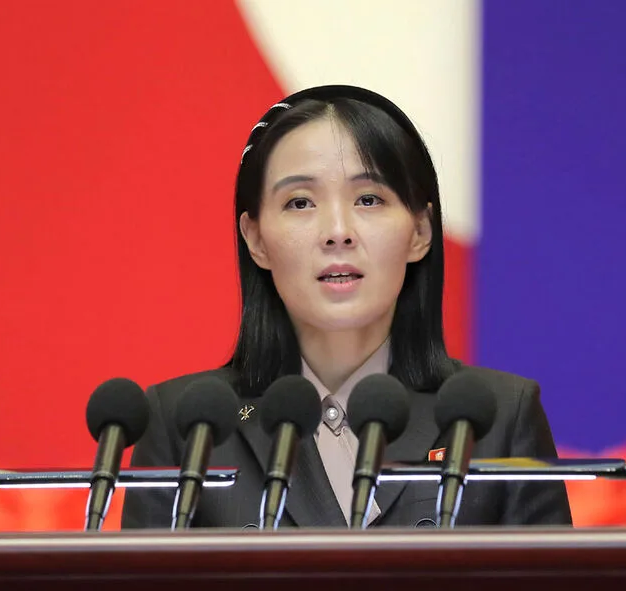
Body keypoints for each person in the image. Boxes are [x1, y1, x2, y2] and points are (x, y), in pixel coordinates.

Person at [121, 85, 572, 529]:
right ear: (255, 239)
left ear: (420, 231)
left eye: (368, 199)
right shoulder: (187, 426)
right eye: (300, 202)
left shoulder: (501, 417)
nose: (338, 231)